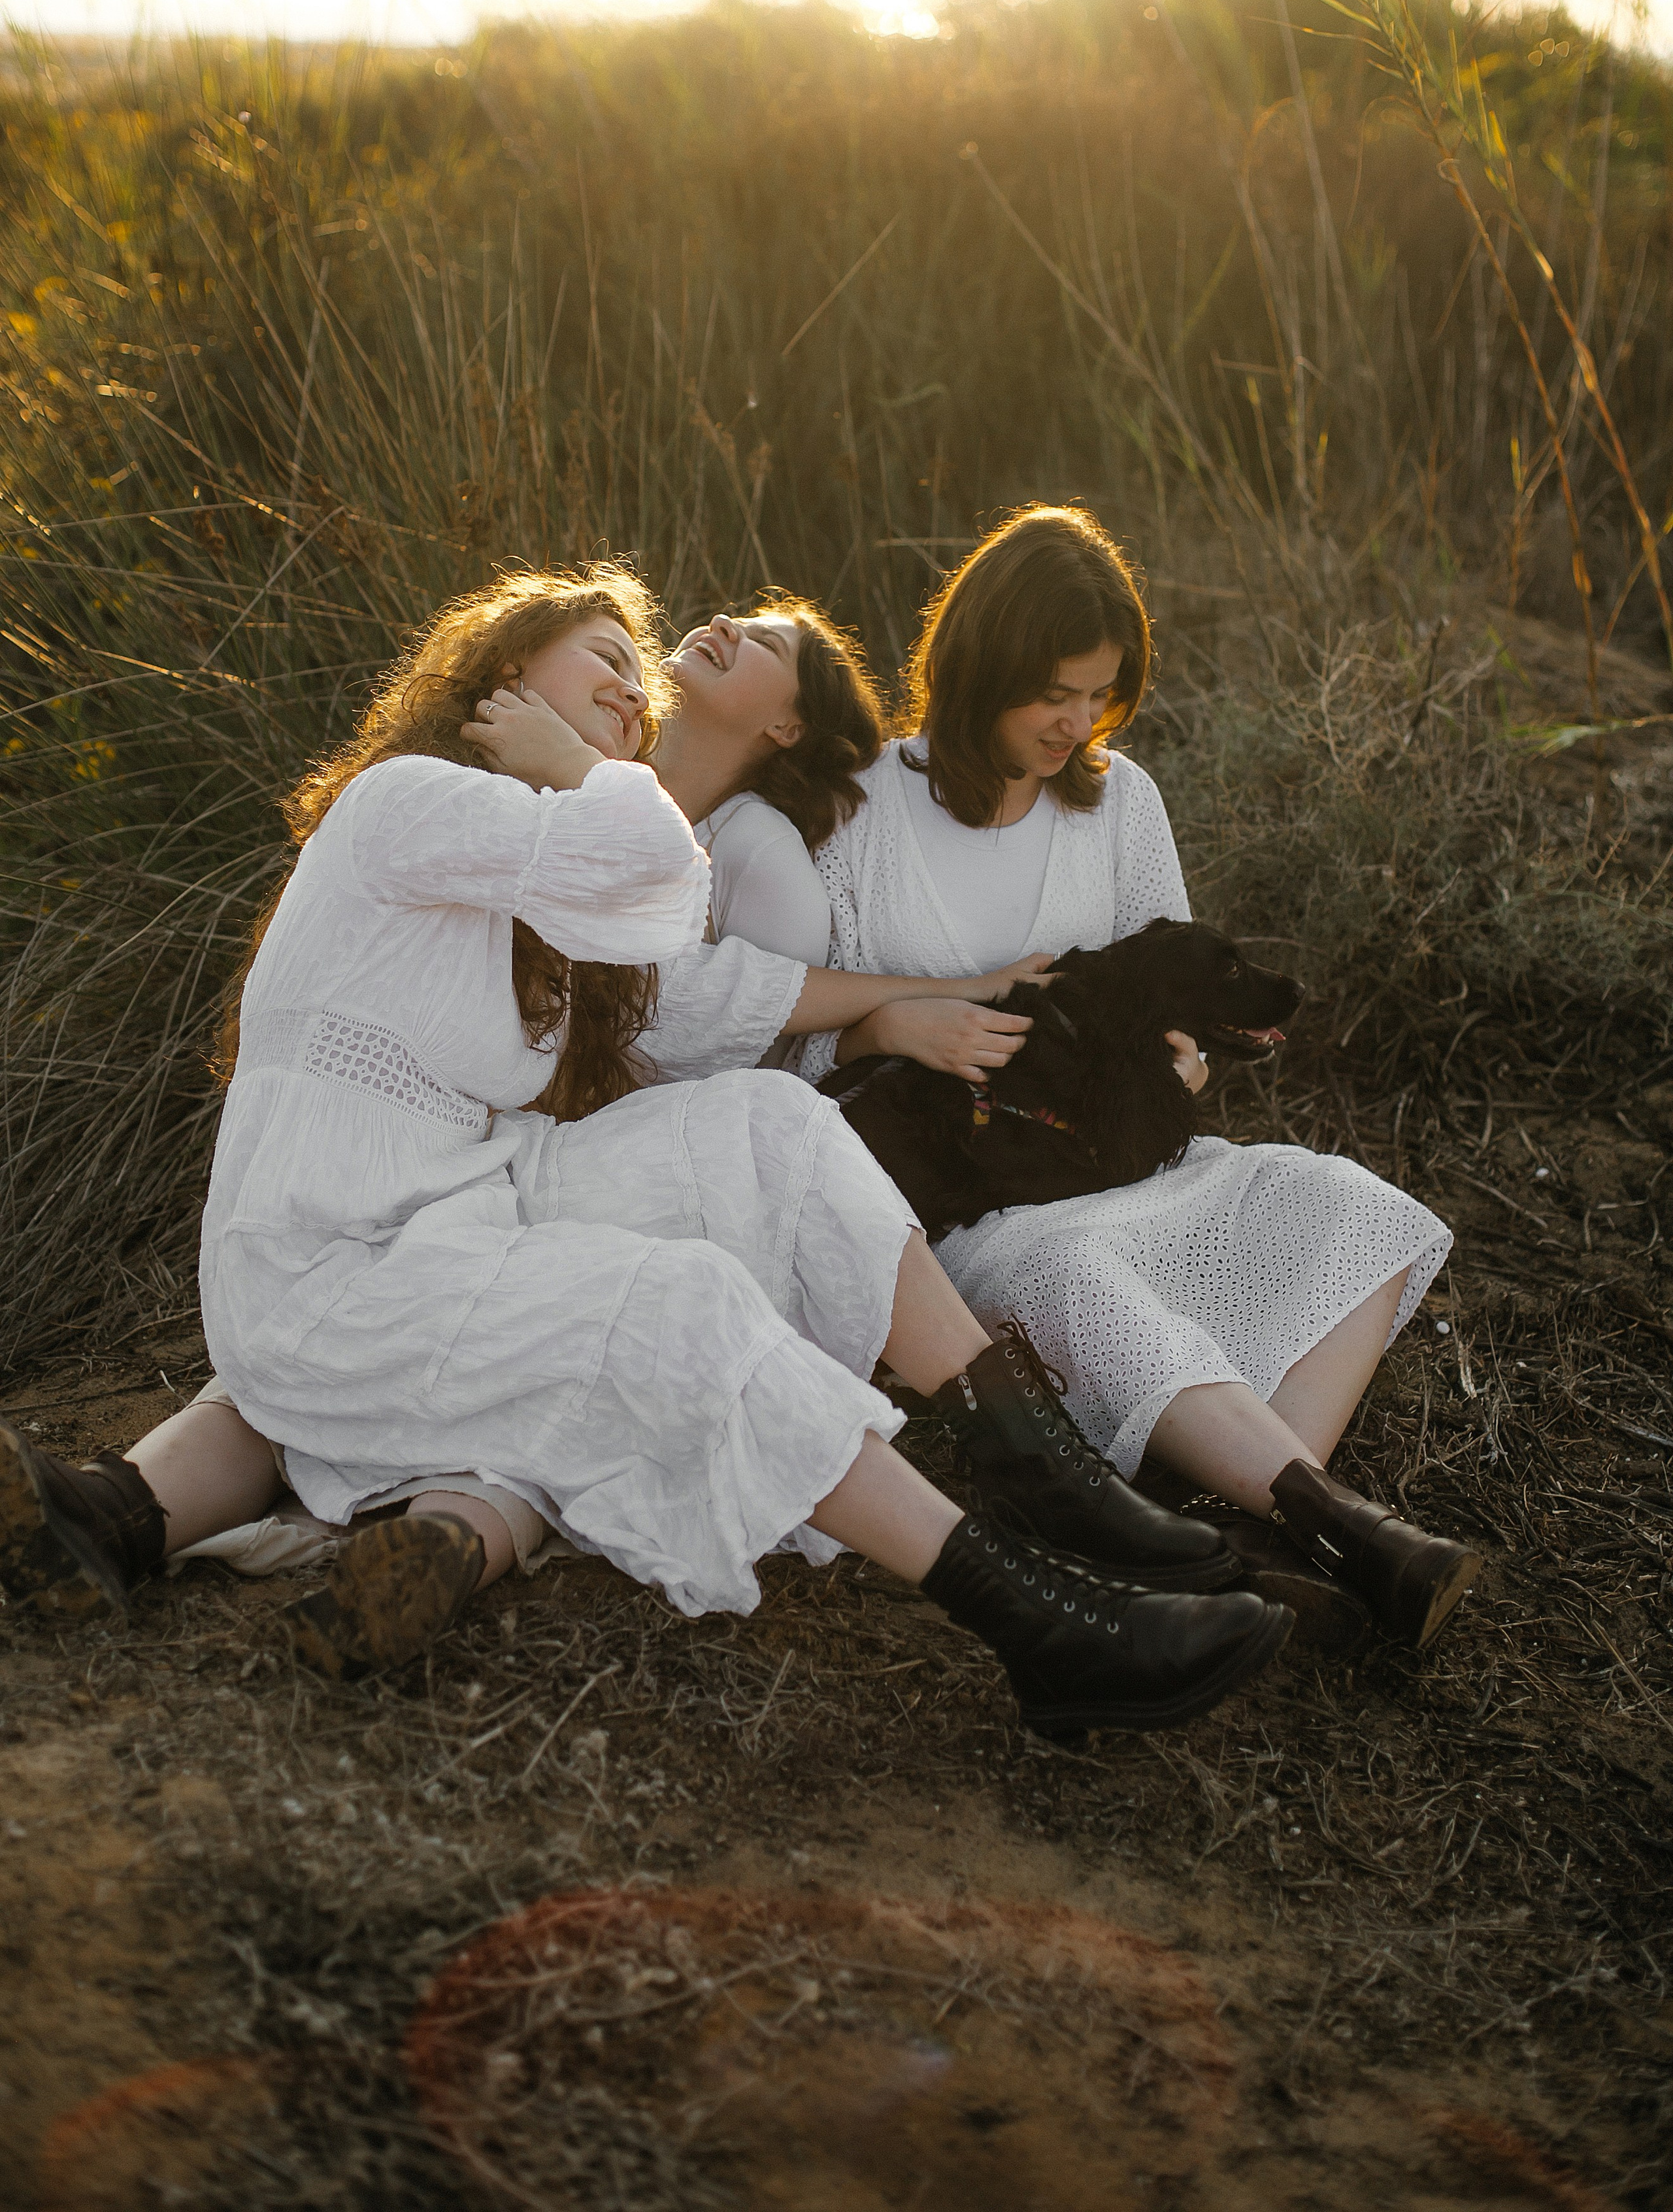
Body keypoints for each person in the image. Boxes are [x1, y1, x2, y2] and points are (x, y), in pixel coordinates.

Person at [0, 563, 1281, 1738]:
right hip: (334, 1262)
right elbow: (654, 862)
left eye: (638, 672)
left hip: (469, 1212)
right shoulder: (407, 803)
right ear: (500, 677)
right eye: (599, 661)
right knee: (678, 1307)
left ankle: (1023, 1452)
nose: (631, 687)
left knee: (773, 1129)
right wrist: (579, 766)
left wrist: (595, 781)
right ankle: (1041, 1625)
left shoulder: (547, 883)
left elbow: (665, 906)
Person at [793, 506, 1478, 1654]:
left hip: (1124, 1157)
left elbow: (1184, 1007)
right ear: (980, 669)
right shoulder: (861, 811)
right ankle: (1332, 1527)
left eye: (1100, 694)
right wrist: (890, 1026)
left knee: (1362, 1211)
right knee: (1074, 1271)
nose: (1078, 722)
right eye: (1053, 692)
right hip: (974, 1200)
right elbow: (801, 1068)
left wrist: (1190, 1060)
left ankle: (1271, 1530)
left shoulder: (1120, 804)